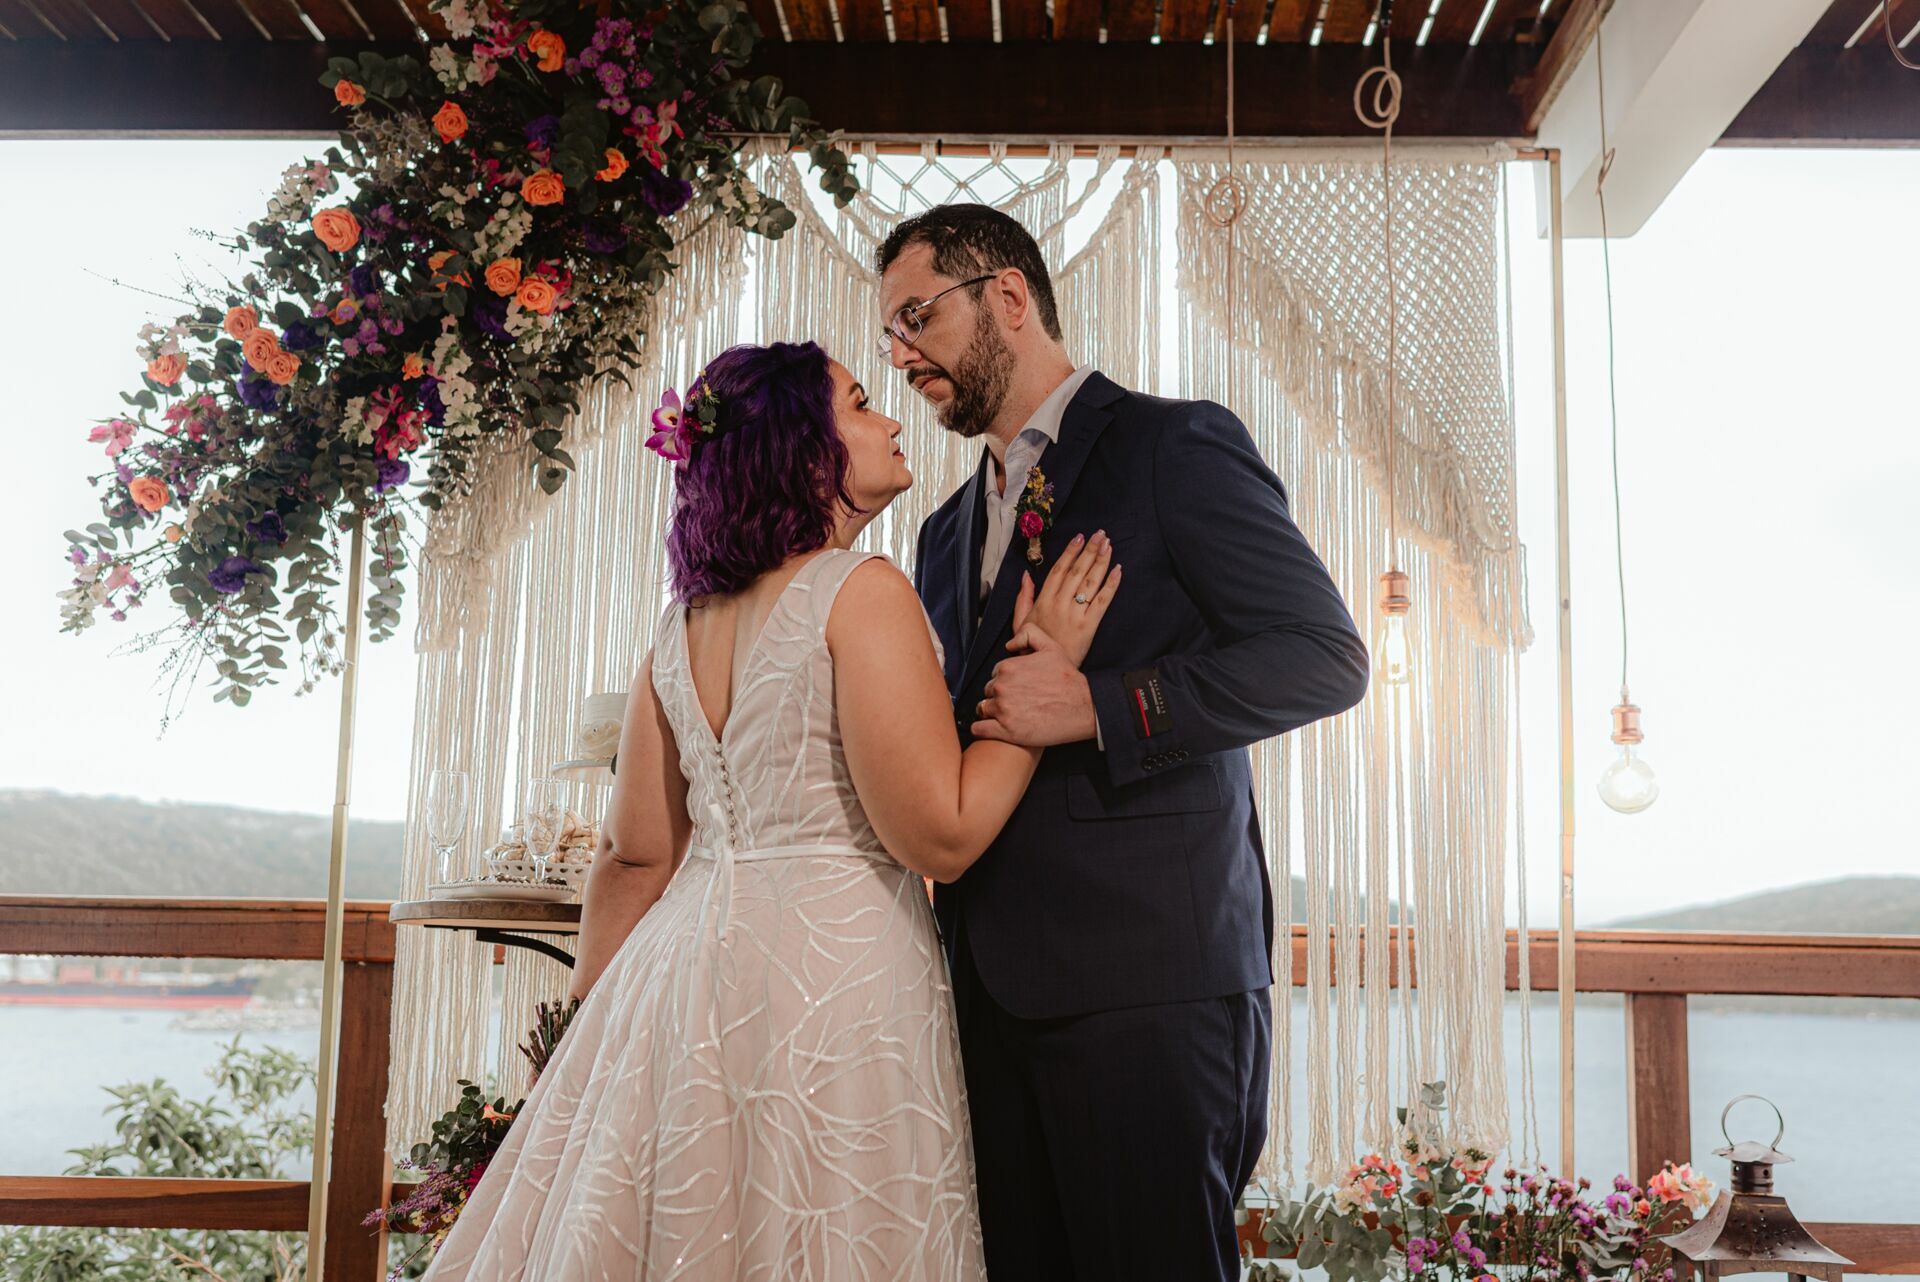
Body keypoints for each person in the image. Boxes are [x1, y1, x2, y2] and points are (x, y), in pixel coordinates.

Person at [421, 339, 1119, 1281]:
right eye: (863, 403)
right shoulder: (860, 592)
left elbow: (633, 859)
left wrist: (585, 1031)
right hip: (829, 982)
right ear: (805, 449)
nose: (891, 418)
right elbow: (942, 837)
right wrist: (1043, 684)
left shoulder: (683, 623)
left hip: (673, 984)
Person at [880, 203, 1371, 1282]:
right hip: (985, 991)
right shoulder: (942, 531)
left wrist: (1102, 707)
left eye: (917, 317)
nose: (902, 351)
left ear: (1007, 294)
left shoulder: (1172, 445)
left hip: (1150, 986)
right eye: (890, 336)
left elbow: (1325, 657)